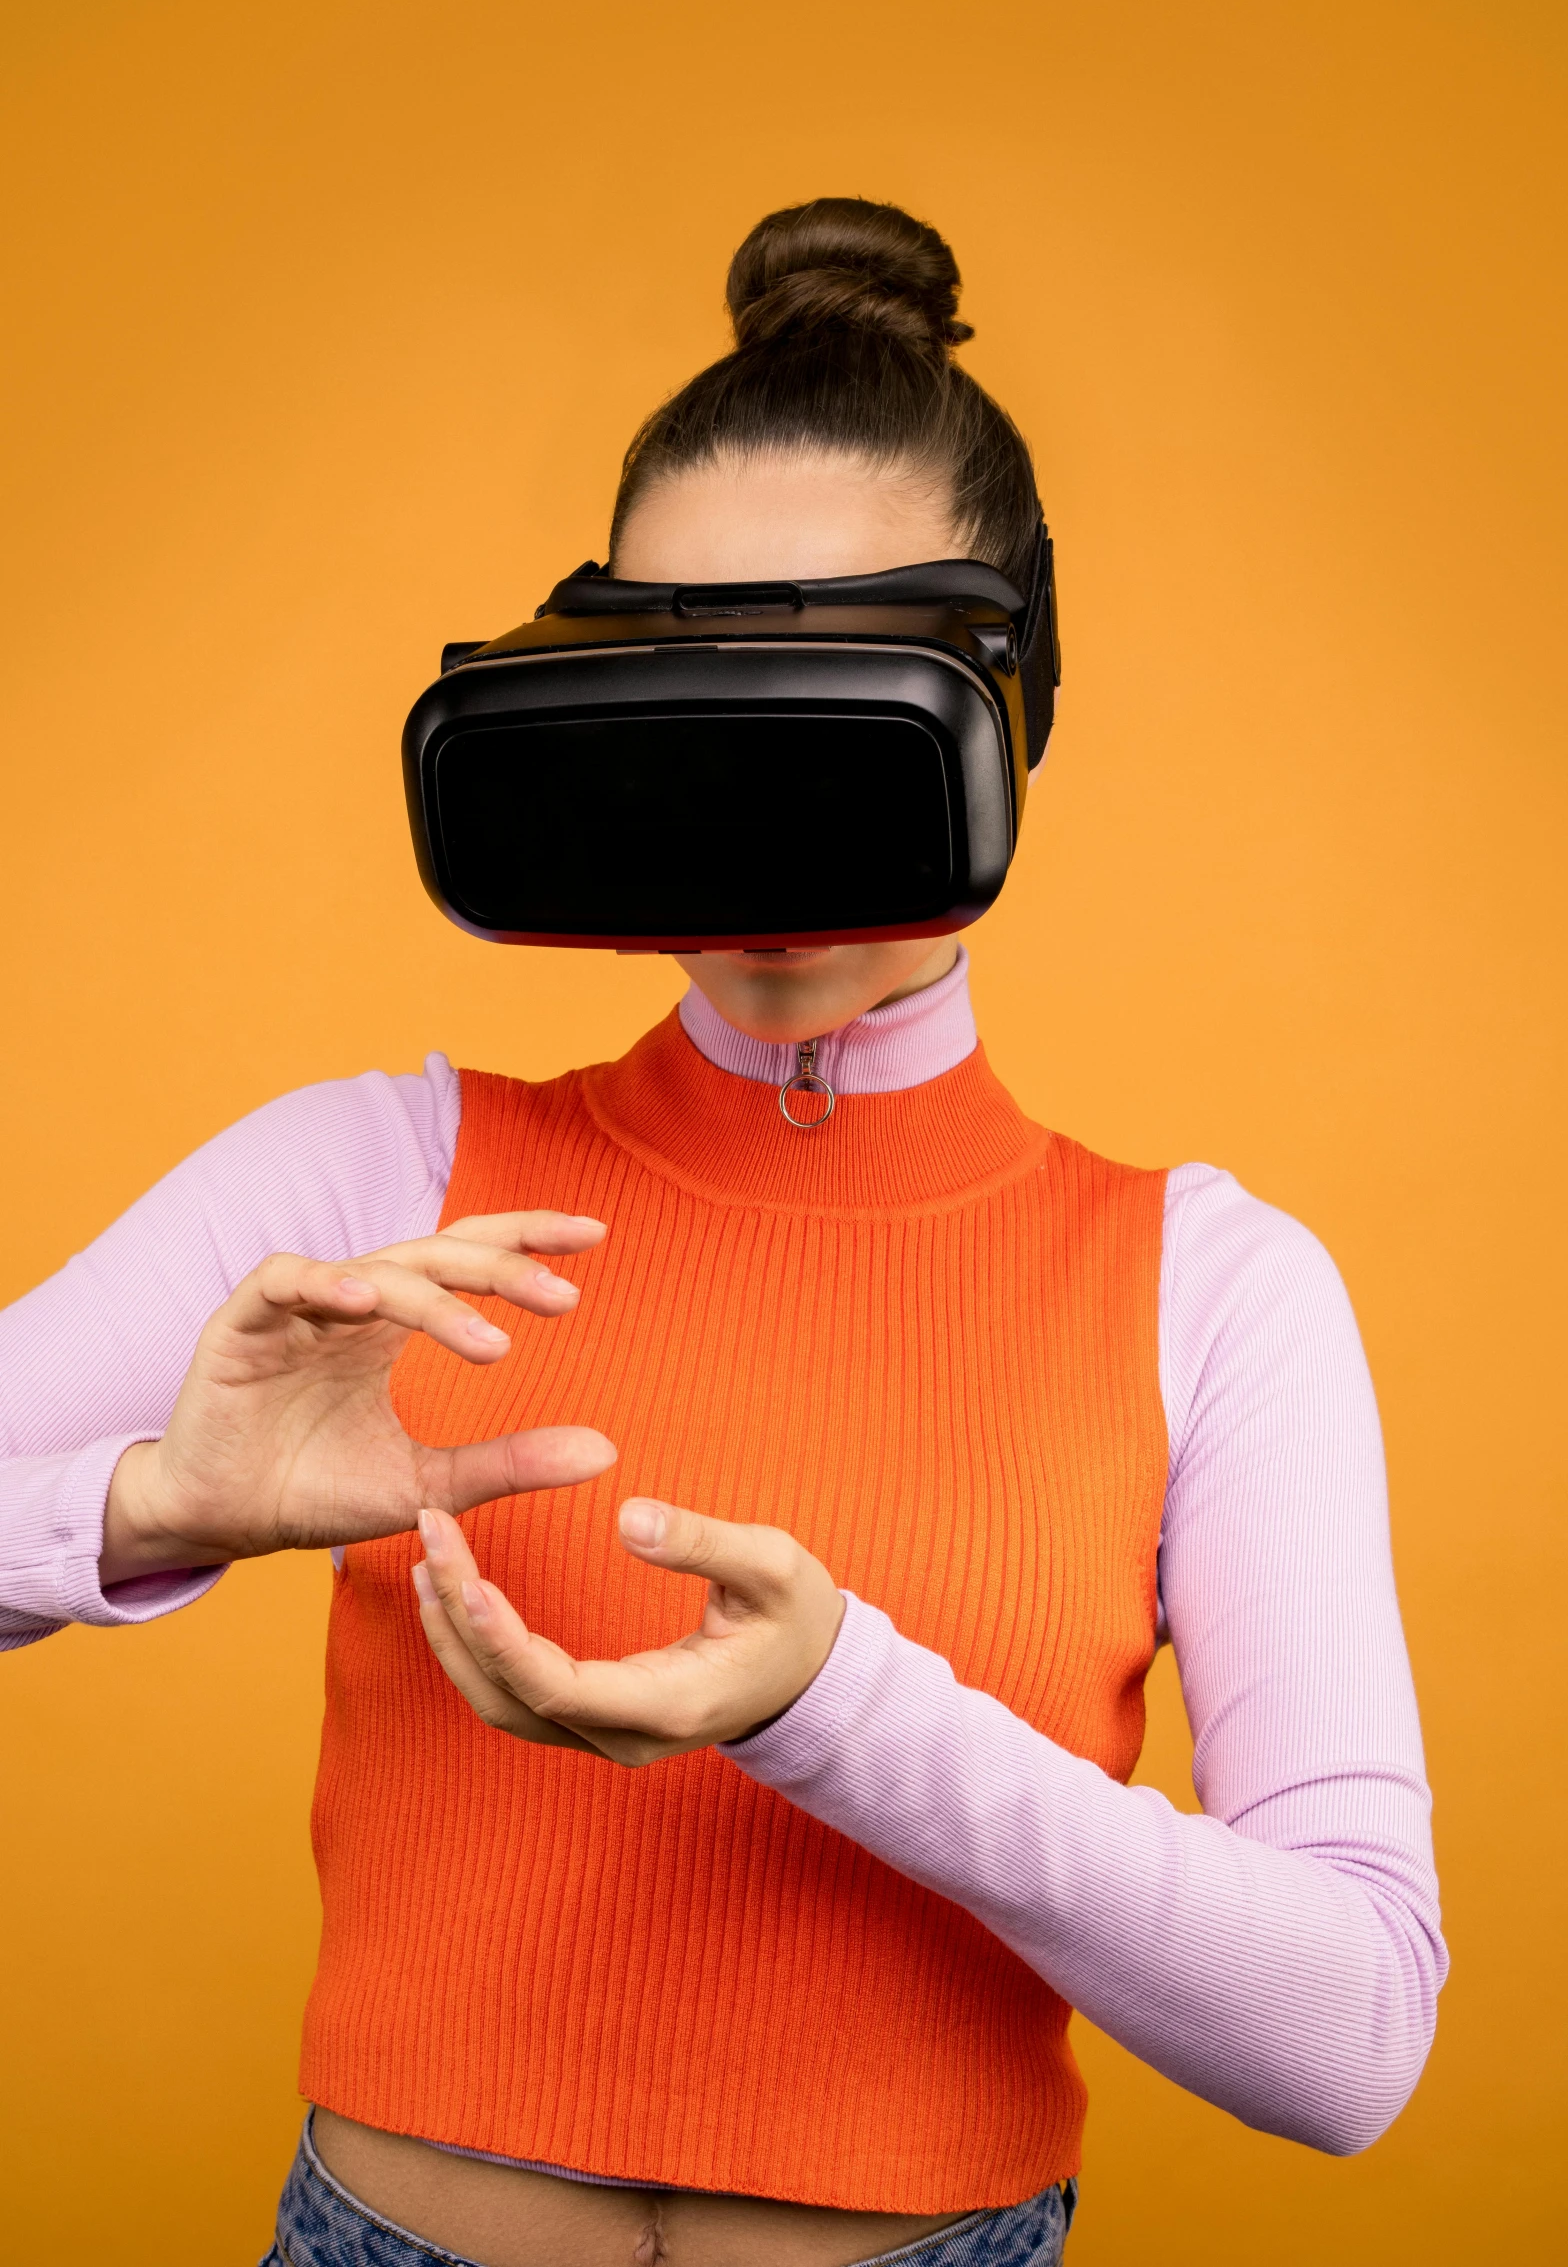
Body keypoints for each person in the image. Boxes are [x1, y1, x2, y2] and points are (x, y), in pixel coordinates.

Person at [0, 199, 1444, 2267]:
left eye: (837, 687)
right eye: (691, 687)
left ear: (1010, 718)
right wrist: (144, 1503)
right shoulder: (370, 1183)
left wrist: (834, 1706)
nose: (758, 795)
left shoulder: (1211, 1289)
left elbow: (1356, 2037)